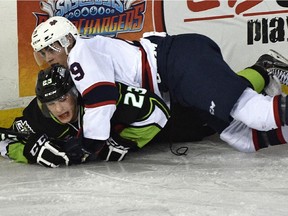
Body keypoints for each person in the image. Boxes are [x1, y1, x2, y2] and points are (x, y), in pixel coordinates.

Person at [30, 16, 288, 154]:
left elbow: (102, 99)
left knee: (258, 115)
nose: (48, 56)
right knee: (244, 137)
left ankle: (263, 71)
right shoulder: (83, 53)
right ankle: (262, 69)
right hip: (173, 79)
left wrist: (90, 142)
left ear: (66, 41)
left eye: (51, 48)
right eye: (43, 52)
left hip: (178, 63)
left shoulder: (79, 54)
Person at [0, 64, 171, 167]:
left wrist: (125, 141)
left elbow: (158, 109)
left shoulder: (100, 96)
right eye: (51, 103)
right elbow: (5, 141)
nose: (58, 109)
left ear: (75, 92)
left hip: (170, 124)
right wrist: (31, 153)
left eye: (62, 98)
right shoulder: (38, 117)